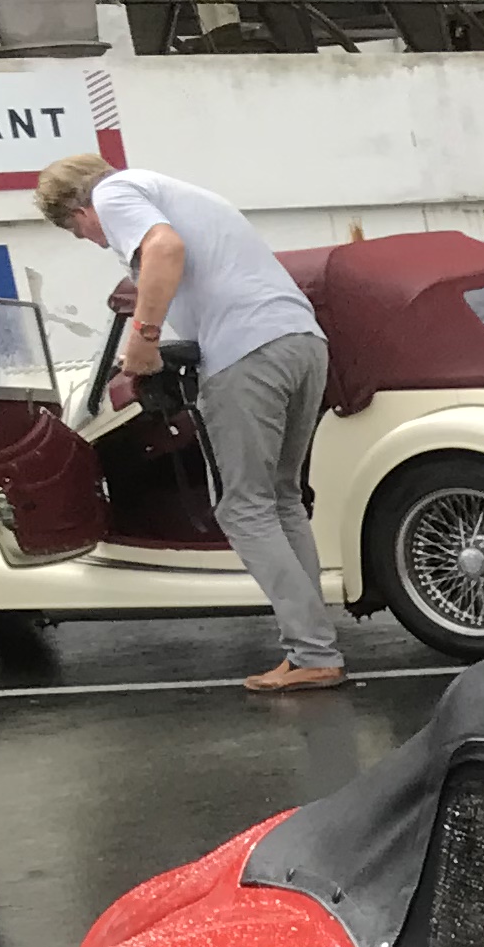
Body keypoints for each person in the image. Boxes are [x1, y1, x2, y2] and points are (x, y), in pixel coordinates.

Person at [31, 155, 344, 693]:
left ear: (79, 211)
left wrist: (144, 339)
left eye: (81, 233)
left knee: (243, 508)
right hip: (301, 341)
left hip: (246, 352)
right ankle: (315, 646)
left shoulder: (114, 193)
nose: (95, 243)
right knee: (280, 498)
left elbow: (164, 248)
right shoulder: (181, 192)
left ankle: (314, 652)